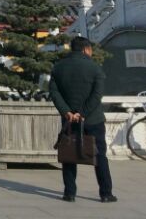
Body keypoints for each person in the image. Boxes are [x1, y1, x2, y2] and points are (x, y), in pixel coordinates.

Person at [48, 37, 114, 203]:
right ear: (86, 49)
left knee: (69, 155)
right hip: (93, 119)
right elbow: (97, 95)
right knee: (99, 155)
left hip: (69, 120)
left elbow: (54, 93)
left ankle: (69, 193)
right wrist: (83, 113)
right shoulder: (95, 68)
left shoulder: (58, 67)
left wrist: (67, 112)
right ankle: (105, 193)